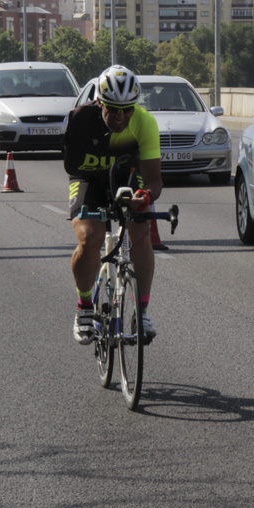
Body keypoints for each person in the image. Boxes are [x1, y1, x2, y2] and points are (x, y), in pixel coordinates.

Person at [64, 65, 163, 345]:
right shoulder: (81, 119)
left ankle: (142, 312)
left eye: (127, 109)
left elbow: (155, 181)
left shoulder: (145, 123)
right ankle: (84, 307)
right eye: (113, 109)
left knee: (141, 233)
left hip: (129, 179)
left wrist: (143, 196)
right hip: (88, 177)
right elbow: (73, 166)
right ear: (99, 102)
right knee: (90, 237)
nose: (121, 117)